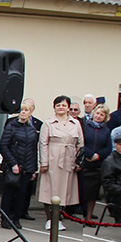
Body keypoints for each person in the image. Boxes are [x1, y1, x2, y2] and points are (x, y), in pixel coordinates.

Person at [38, 95, 83, 230]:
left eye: (63, 105)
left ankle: (59, 218)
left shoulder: (75, 124)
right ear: (54, 108)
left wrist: (79, 162)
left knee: (65, 190)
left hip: (69, 159)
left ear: (68, 107)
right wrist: (44, 162)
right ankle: (49, 219)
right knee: (49, 189)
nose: (61, 107)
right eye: (58, 105)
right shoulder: (48, 123)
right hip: (53, 158)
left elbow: (81, 144)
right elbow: (43, 143)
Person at [0, 101, 39, 229]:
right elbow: (4, 146)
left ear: (30, 112)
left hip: (27, 167)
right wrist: (13, 164)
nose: (23, 112)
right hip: (12, 166)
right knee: (8, 193)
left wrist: (33, 169)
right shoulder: (11, 126)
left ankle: (16, 218)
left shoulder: (31, 129)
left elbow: (34, 149)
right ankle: (5, 218)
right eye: (21, 110)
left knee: (22, 194)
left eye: (26, 110)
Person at [79, 104, 112, 223]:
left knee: (92, 194)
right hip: (84, 164)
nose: (98, 116)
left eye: (102, 114)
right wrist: (89, 154)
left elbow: (108, 148)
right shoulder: (84, 127)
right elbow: (81, 142)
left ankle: (89, 217)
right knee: (81, 191)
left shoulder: (106, 131)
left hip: (97, 166)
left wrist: (98, 155)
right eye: (97, 113)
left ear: (105, 117)